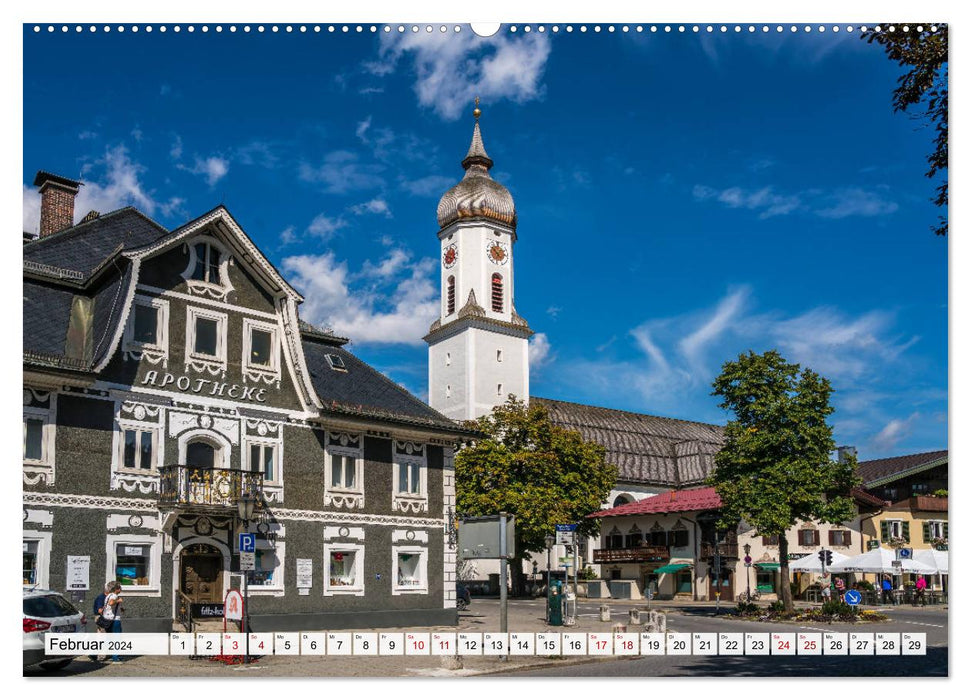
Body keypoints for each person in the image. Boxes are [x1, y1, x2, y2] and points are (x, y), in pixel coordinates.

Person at [101, 583, 125, 663]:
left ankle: (94, 653)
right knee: (117, 639)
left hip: (107, 619)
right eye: (120, 588)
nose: (121, 589)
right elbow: (111, 603)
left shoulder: (108, 595)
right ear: (117, 589)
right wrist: (119, 600)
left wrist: (120, 609)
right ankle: (116, 657)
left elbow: (109, 606)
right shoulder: (114, 596)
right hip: (114, 620)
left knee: (109, 638)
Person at [91, 583, 111, 662]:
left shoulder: (108, 597)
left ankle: (94, 654)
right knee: (102, 637)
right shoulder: (101, 598)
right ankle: (100, 656)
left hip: (105, 618)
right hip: (101, 618)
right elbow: (100, 610)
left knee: (101, 637)